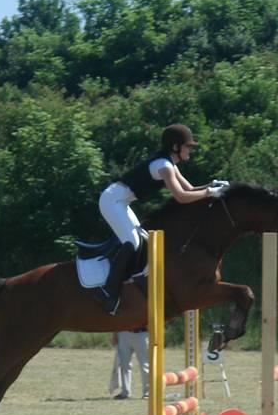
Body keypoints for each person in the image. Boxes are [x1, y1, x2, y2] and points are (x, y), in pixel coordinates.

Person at [97, 123, 228, 315]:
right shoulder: (164, 166)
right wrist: (210, 192)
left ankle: (132, 280)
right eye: (187, 146)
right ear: (176, 146)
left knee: (144, 240)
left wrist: (212, 185)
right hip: (111, 200)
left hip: (121, 202)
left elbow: (190, 189)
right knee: (132, 242)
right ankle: (107, 291)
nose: (190, 149)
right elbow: (181, 197)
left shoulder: (170, 164)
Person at [109, 328, 149, 400]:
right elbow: (117, 318)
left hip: (142, 333)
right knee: (123, 364)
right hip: (124, 333)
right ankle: (125, 392)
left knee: (145, 365)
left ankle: (147, 393)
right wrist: (115, 334)